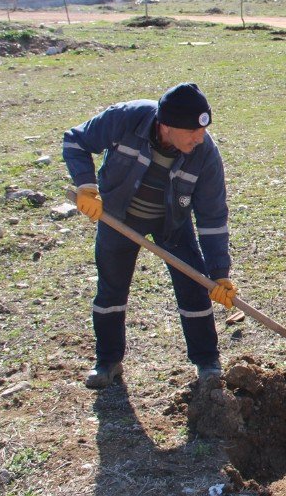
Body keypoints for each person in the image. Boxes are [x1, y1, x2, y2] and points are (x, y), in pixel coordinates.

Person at [63, 83, 237, 388]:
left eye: (202, 130)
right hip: (117, 216)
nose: (200, 138)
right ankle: (108, 361)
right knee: (111, 291)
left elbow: (212, 217)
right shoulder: (126, 118)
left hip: (172, 222)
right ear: (165, 126)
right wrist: (85, 185)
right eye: (192, 132)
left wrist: (219, 273)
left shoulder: (205, 153)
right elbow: (76, 141)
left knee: (195, 285)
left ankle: (207, 362)